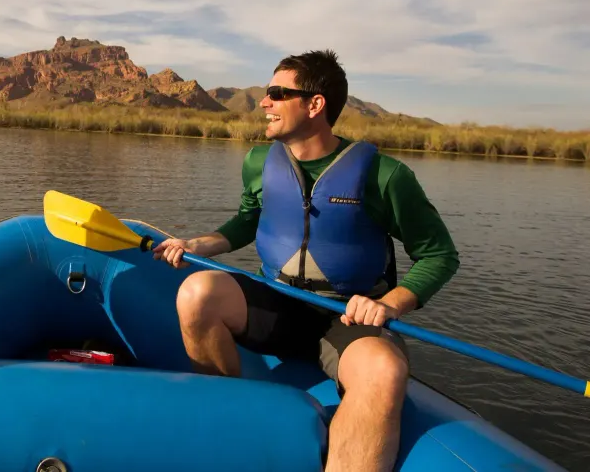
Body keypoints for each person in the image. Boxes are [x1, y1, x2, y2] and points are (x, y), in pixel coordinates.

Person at [152, 49, 459, 472]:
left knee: (385, 371)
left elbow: (439, 254)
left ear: (315, 104)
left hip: (346, 318)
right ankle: (232, 424)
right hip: (277, 304)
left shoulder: (386, 176)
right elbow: (249, 220)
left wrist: (389, 304)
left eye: (277, 93)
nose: (264, 101)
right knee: (196, 293)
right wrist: (201, 244)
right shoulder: (258, 163)